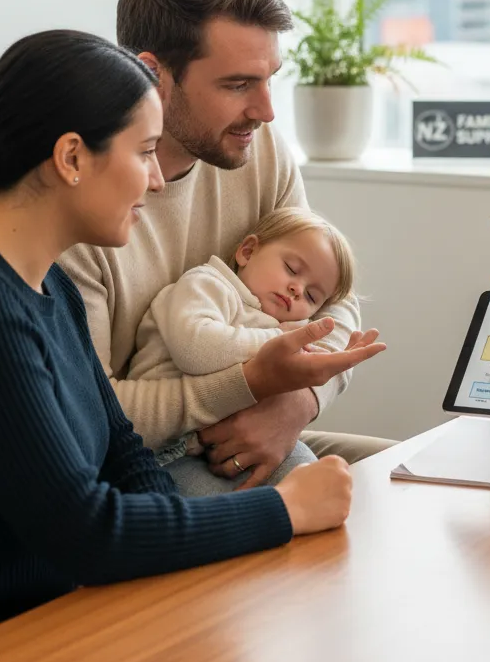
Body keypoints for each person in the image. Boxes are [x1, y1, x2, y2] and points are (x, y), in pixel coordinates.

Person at [0, 30, 384, 662]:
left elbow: (125, 457)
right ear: (72, 158)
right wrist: (282, 511)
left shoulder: (44, 278)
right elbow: (87, 531)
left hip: (70, 613)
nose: (159, 181)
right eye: (147, 152)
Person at [61, 0, 393, 495]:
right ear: (152, 75)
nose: (266, 112)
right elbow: (90, 411)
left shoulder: (259, 151)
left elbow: (335, 303)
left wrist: (297, 403)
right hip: (142, 462)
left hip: (255, 427)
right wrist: (252, 384)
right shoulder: (80, 199)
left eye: (270, 80)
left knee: (411, 480)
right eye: (238, 85)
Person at [128, 207, 357, 486]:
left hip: (232, 442)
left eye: (311, 295)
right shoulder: (208, 284)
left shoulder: (276, 322)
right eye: (291, 269)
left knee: (320, 483)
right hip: (164, 451)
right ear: (247, 252)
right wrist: (278, 341)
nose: (297, 288)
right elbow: (196, 350)